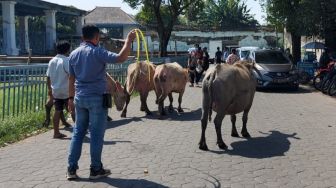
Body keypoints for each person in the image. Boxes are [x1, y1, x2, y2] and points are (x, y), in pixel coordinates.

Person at [66, 25, 136, 180]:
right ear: (96, 37)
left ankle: (71, 169)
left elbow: (71, 79)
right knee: (97, 135)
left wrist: (70, 99)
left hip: (79, 98)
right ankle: (96, 169)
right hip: (97, 99)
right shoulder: (97, 51)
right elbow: (120, 58)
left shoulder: (74, 54)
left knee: (78, 134)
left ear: (83, 37)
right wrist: (128, 41)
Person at [46, 40, 75, 139]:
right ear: (67, 50)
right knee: (73, 109)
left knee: (57, 110)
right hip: (66, 90)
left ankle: (56, 132)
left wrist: (50, 90)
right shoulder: (66, 61)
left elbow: (48, 77)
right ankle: (79, 131)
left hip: (56, 90)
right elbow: (71, 75)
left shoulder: (52, 61)